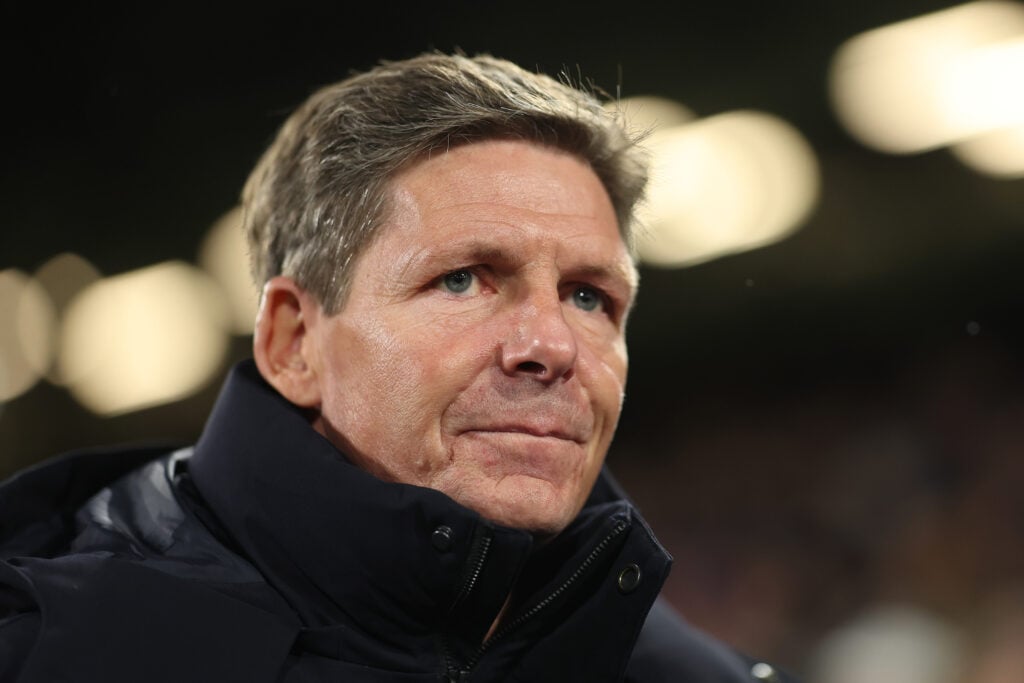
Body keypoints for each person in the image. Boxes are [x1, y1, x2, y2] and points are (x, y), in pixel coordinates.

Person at [0, 53, 794, 682]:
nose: (552, 346)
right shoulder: (50, 650)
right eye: (463, 278)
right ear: (293, 343)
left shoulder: (686, 670)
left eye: (589, 296)